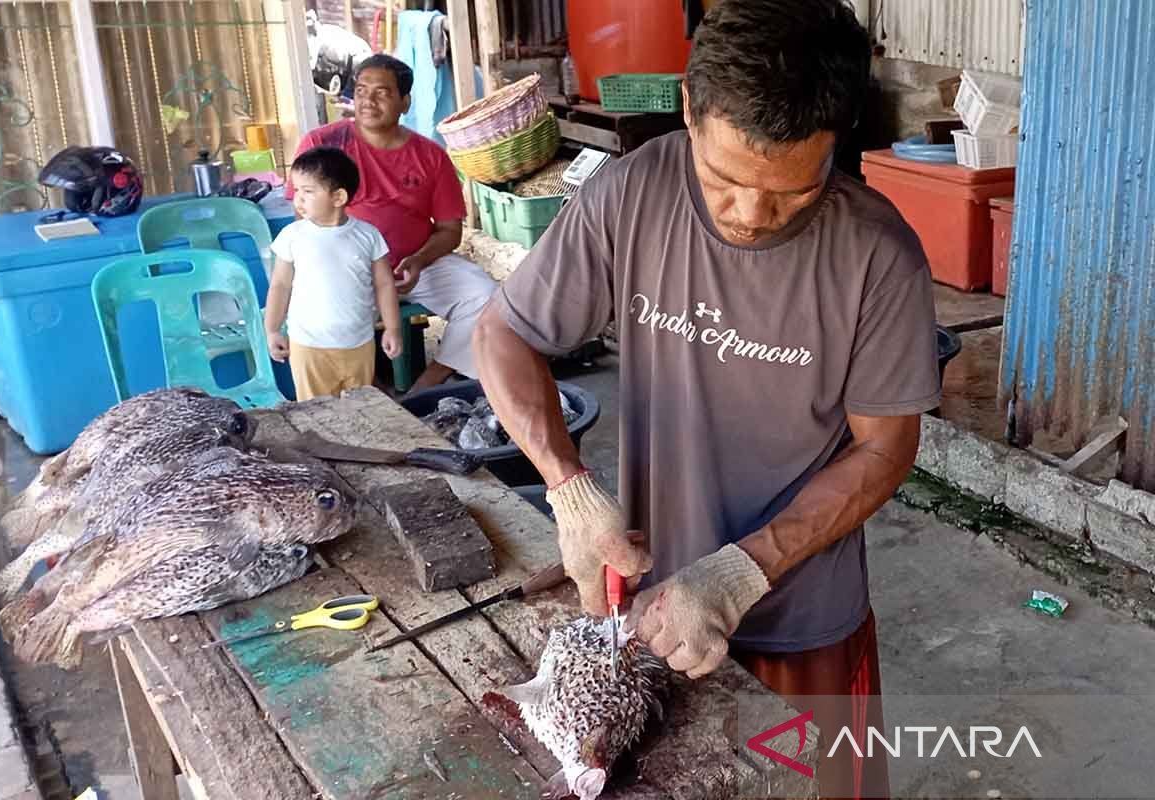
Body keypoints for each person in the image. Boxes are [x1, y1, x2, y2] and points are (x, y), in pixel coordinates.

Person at [473, 1, 941, 796]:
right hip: (644, 615)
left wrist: (742, 573)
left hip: (801, 620)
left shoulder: (879, 256)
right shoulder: (629, 196)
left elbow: (884, 448)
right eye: (725, 179)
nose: (750, 215)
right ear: (689, 107)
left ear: (838, 139)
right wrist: (569, 487)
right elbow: (503, 336)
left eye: (793, 193)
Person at [287, 53, 496, 394]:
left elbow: (449, 230)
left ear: (404, 101)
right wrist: (353, 263)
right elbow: (304, 216)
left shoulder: (430, 156)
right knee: (326, 316)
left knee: (486, 298)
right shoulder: (322, 145)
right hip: (345, 267)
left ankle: (428, 385)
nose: (368, 100)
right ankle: (372, 389)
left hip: (415, 265)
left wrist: (418, 260)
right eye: (361, 90)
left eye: (382, 92)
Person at [265, 146, 402, 401]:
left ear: (338, 197)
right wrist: (272, 329)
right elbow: (280, 285)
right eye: (297, 191)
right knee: (317, 414)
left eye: (308, 191)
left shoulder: (368, 236)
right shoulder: (293, 236)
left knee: (360, 410)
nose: (298, 199)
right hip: (308, 346)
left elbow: (384, 284)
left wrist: (393, 327)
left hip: (359, 343)